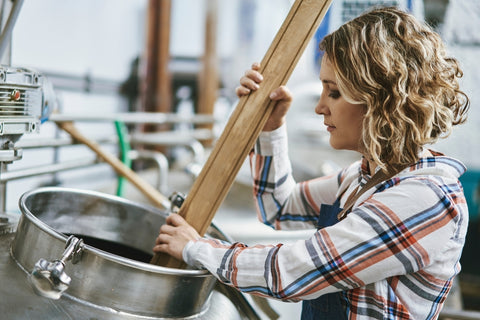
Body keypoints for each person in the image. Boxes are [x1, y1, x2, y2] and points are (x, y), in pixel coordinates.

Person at [153, 6, 470, 319]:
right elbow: (279, 207)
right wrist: (270, 127)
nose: (320, 107)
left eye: (334, 93)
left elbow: (292, 272)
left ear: (381, 99)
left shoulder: (425, 200)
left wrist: (196, 249)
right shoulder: (364, 178)